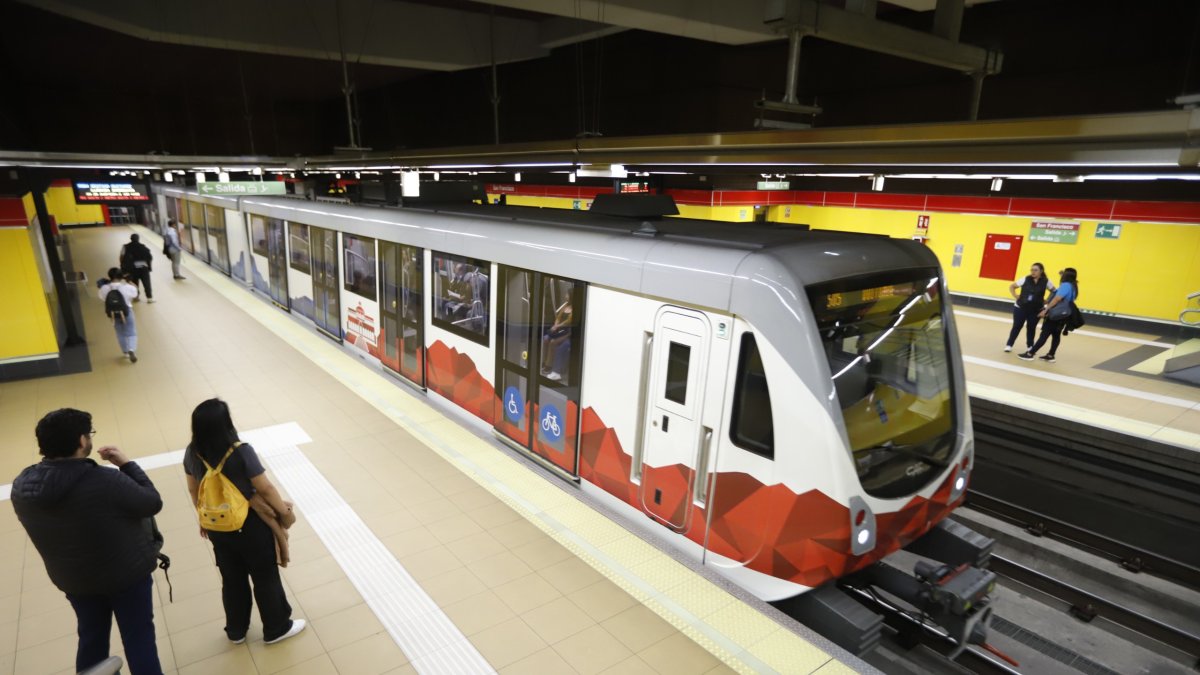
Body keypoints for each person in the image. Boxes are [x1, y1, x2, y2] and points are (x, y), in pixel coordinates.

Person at [11, 409, 165, 675]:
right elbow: (152, 502)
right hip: (126, 576)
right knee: (139, 638)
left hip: (75, 581)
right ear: (82, 441)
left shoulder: (23, 487)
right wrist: (127, 465)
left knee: (91, 637)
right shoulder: (106, 480)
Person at [182, 399, 306, 646]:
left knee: (232, 579)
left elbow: (194, 490)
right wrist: (282, 511)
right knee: (264, 576)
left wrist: (203, 518)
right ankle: (277, 628)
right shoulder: (240, 451)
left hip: (217, 525)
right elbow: (265, 488)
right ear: (226, 423)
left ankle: (236, 631)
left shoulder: (191, 452)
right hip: (250, 525)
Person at [1020, 268, 1079, 363]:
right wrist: (1062, 274)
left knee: (1045, 334)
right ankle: (1051, 355)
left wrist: (1046, 309)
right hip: (1064, 314)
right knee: (1056, 334)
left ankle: (1030, 354)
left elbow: (1057, 299)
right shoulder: (1073, 286)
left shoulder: (1065, 285)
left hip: (1056, 314)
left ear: (1066, 275)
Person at [1004, 262, 1055, 353]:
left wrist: (1047, 300)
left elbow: (1054, 291)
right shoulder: (1025, 279)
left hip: (1036, 309)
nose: (1033, 272)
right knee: (1017, 326)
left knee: (1031, 328)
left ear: (1041, 271)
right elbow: (1012, 286)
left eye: (1035, 270)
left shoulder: (1046, 281)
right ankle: (1009, 345)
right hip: (1020, 307)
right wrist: (1015, 295)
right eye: (1032, 270)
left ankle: (1030, 346)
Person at [99, 267, 140, 362]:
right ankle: (131, 349)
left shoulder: (105, 288)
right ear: (121, 276)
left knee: (120, 333)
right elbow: (135, 293)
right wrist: (129, 281)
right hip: (127, 311)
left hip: (113, 313)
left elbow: (102, 297)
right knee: (131, 332)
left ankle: (125, 352)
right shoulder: (127, 287)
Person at [541, 296, 574, 381]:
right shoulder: (565, 305)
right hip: (559, 329)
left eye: (567, 295)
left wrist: (557, 326)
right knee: (546, 338)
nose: (566, 296)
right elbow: (558, 317)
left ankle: (549, 365)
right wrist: (555, 325)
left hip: (566, 332)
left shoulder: (574, 309)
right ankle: (544, 361)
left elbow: (568, 322)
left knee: (553, 342)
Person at [120, 233, 155, 303]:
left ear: (131, 239)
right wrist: (149, 267)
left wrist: (123, 266)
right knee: (146, 283)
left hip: (132, 268)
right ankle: (149, 298)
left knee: (134, 283)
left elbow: (122, 256)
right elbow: (150, 257)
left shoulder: (125, 246)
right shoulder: (143, 247)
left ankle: (136, 297)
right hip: (143, 267)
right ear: (138, 239)